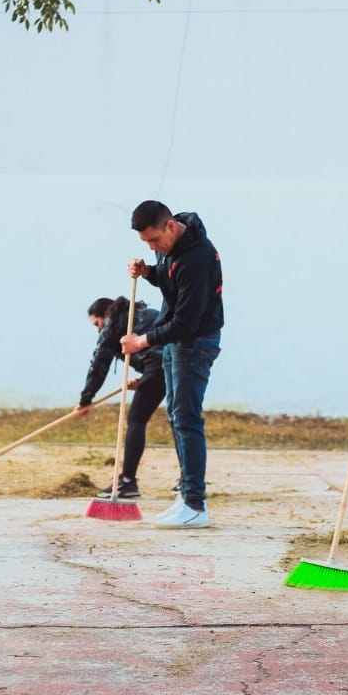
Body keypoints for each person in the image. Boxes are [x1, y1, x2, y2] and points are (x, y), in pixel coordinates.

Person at [122, 200, 223, 529]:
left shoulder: (196, 257)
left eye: (154, 241)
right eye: (146, 244)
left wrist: (142, 341)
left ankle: (195, 503)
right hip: (174, 342)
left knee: (188, 418)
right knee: (176, 415)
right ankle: (186, 496)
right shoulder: (171, 246)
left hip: (193, 343)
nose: (153, 248)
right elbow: (170, 283)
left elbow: (186, 321)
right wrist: (150, 272)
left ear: (169, 226)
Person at [78, 295, 168, 498]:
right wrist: (145, 377)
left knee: (136, 419)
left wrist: (86, 399)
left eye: (97, 323)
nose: (98, 329)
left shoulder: (113, 323)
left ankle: (127, 482)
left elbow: (100, 363)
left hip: (158, 364)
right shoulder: (143, 314)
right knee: (179, 419)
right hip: (174, 362)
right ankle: (187, 481)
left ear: (105, 315)